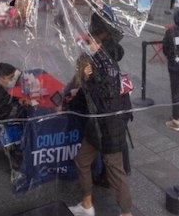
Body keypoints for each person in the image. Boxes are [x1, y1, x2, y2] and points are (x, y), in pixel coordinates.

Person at [69, 16, 132, 216]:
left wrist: (89, 79)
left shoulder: (103, 65)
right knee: (82, 160)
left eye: (89, 42)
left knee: (115, 171)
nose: (86, 45)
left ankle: (126, 213)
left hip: (109, 126)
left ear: (99, 42)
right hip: (98, 127)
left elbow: (105, 98)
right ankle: (87, 204)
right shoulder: (103, 58)